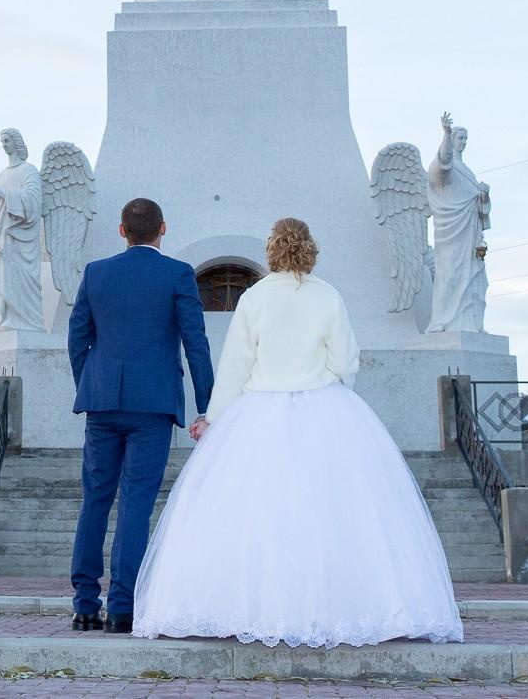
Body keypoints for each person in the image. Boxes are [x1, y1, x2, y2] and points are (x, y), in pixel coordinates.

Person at [133, 217, 464, 647]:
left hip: (258, 411)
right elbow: (346, 362)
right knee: (334, 512)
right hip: (323, 406)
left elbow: (235, 366)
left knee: (255, 513)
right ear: (310, 248)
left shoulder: (253, 298)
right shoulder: (328, 296)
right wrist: (324, 377)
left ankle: (249, 608)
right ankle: (337, 608)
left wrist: (213, 416)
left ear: (271, 249)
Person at [65, 197, 214, 634]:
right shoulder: (178, 274)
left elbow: (78, 339)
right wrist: (207, 403)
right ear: (163, 229)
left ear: (121, 230)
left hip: (103, 402)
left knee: (95, 499)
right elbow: (195, 342)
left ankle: (84, 604)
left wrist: (90, 384)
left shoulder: (96, 273)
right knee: (136, 503)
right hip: (153, 405)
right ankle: (123, 607)